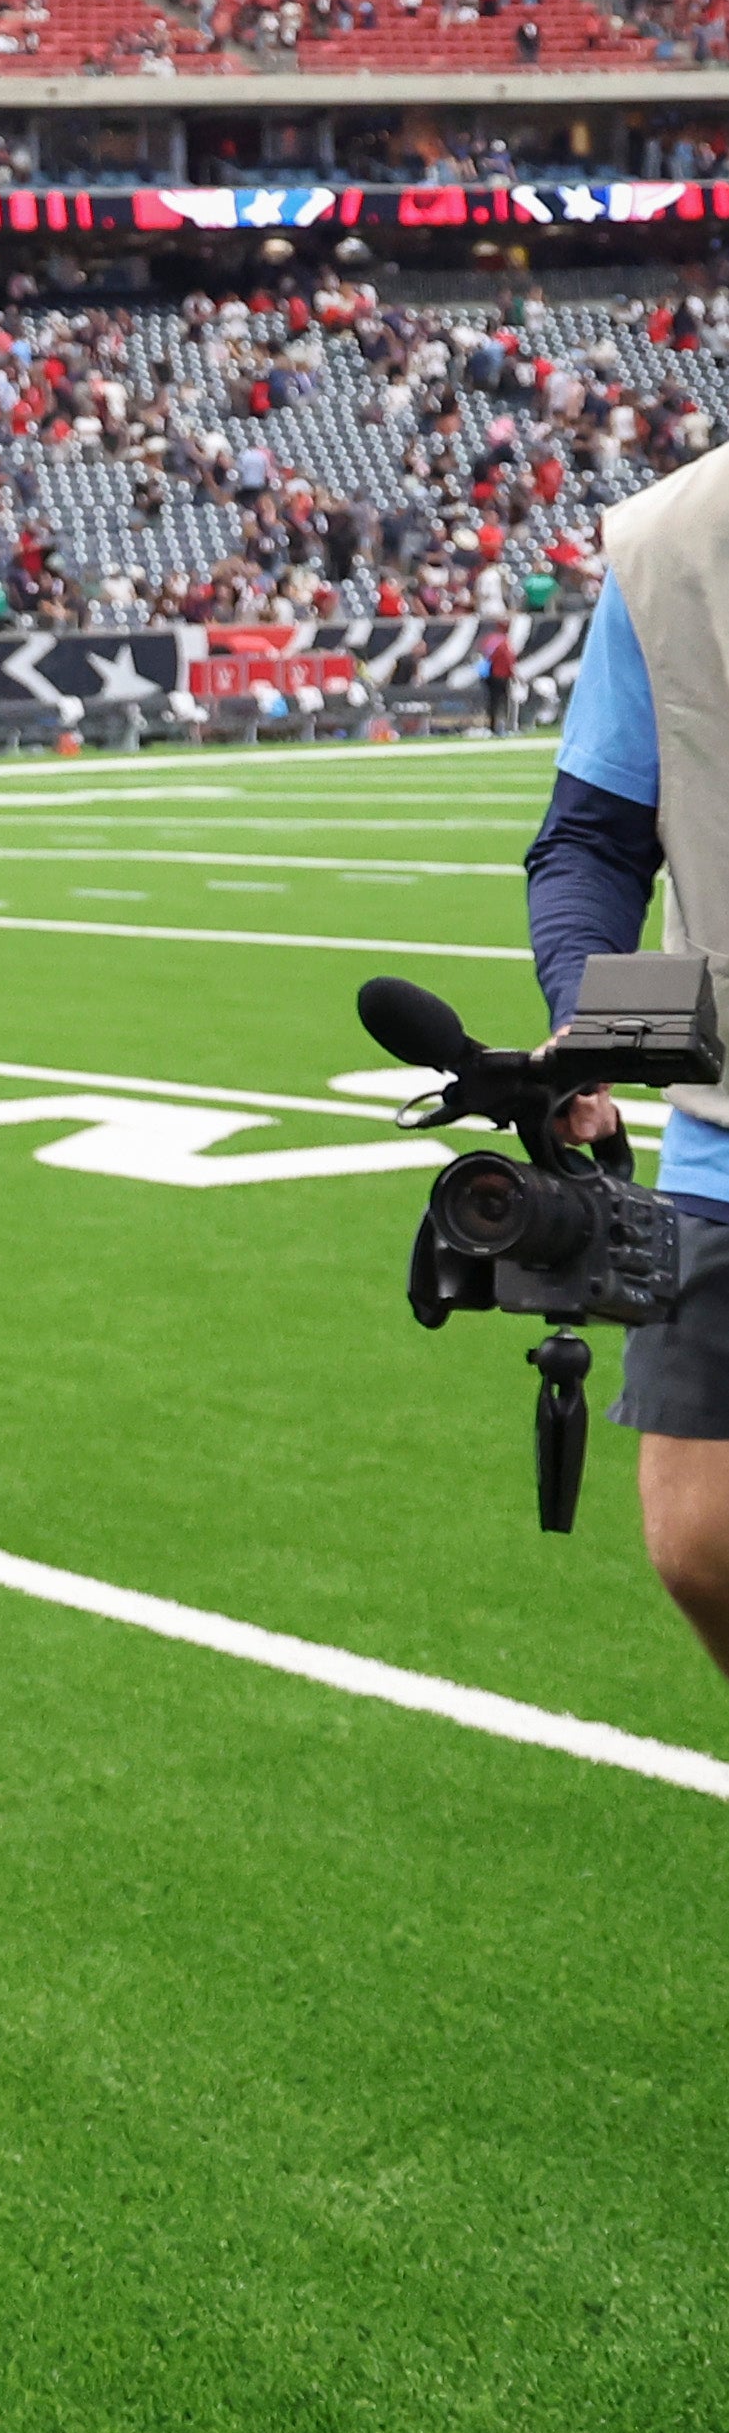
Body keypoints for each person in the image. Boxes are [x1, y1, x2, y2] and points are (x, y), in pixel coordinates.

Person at [528, 437, 729, 1682]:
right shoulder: (670, 540)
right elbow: (592, 840)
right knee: (700, 1539)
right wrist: (586, 1024)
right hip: (727, 1122)